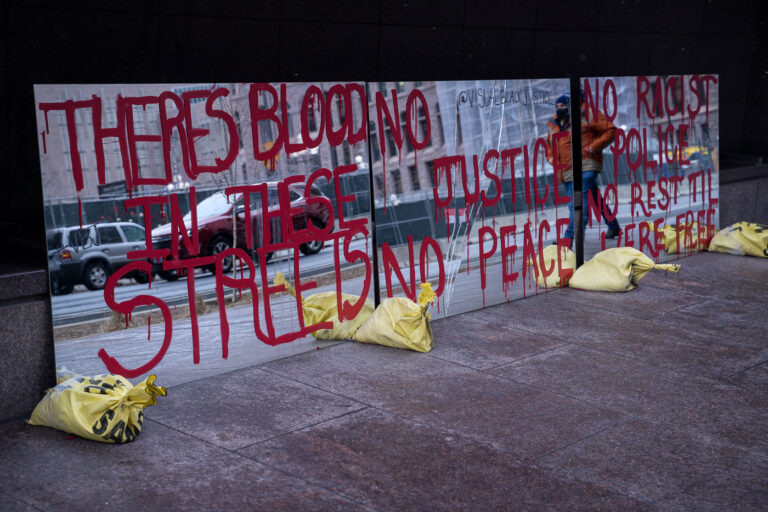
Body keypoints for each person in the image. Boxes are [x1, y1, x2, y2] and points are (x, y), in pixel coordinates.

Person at [545, 92, 620, 247]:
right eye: (557, 106)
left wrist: (593, 147)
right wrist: (551, 158)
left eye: (563, 106)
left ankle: (568, 238)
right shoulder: (554, 123)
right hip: (566, 170)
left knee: (576, 203)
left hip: (586, 165)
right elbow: (549, 144)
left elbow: (610, 130)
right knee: (593, 197)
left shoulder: (588, 115)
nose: (560, 109)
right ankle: (613, 226)